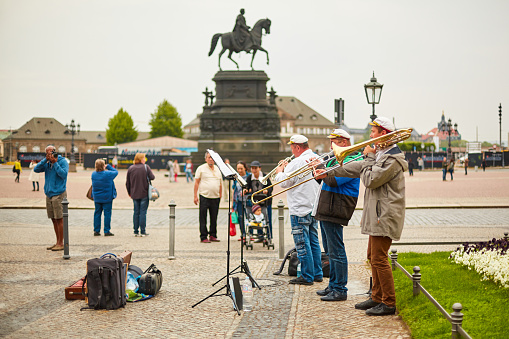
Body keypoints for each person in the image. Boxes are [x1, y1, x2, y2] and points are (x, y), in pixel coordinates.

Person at [316, 117, 408, 316]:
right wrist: (329, 173)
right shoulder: (381, 154)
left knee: (379, 258)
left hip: (385, 214)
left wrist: (368, 158)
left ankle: (389, 302)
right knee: (372, 257)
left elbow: (370, 179)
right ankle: (376, 297)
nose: (370, 137)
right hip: (377, 213)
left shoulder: (393, 159)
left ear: (383, 133)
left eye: (373, 132)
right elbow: (356, 168)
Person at [312, 129, 361, 302]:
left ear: (343, 142)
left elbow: (332, 180)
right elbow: (323, 179)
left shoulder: (353, 159)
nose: (330, 145)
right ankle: (333, 285)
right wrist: (316, 170)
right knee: (330, 250)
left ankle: (340, 288)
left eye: (333, 141)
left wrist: (319, 166)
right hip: (328, 205)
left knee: (337, 250)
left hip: (337, 206)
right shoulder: (335, 158)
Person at [275, 134, 321, 285]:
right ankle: (317, 273)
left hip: (299, 208)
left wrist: (279, 171)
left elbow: (284, 182)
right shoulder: (316, 158)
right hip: (313, 206)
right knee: (313, 241)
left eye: (292, 148)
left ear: (298, 147)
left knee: (302, 244)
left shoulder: (297, 161)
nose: (291, 151)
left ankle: (307, 276)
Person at [34, 145, 69, 251]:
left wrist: (55, 162)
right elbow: (36, 169)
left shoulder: (63, 162)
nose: (49, 154)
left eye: (51, 152)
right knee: (53, 219)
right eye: (47, 153)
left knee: (59, 218)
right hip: (49, 194)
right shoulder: (47, 162)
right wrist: (45, 160)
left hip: (59, 193)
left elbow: (63, 175)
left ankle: (61, 243)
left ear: (55, 152)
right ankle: (57, 242)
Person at [194, 151, 222, 243]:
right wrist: (195, 195)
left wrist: (220, 194)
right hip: (204, 196)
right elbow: (197, 182)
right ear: (206, 159)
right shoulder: (201, 168)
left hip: (215, 197)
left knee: (214, 217)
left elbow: (220, 183)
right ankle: (203, 236)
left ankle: (213, 235)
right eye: (209, 157)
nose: (211, 159)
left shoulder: (218, 169)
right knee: (203, 217)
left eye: (212, 157)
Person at [126, 153, 155, 236]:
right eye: (144, 158)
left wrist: (129, 192)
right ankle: (142, 231)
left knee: (136, 212)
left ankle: (135, 230)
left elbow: (127, 183)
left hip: (134, 193)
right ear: (141, 159)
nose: (145, 159)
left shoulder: (131, 168)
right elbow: (152, 177)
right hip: (144, 193)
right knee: (143, 212)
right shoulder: (146, 167)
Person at [244, 160, 273, 240]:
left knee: (267, 218)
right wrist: (246, 190)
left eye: (256, 168)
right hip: (255, 202)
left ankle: (268, 236)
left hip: (265, 201)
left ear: (259, 168)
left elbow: (270, 186)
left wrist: (267, 190)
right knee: (257, 219)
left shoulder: (264, 176)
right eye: (252, 168)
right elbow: (247, 186)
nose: (254, 170)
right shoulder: (250, 177)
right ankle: (260, 236)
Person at [91, 159, 118, 236]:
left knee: (97, 213)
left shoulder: (93, 174)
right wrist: (108, 166)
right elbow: (116, 172)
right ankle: (106, 230)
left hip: (97, 197)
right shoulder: (108, 174)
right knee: (107, 214)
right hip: (107, 198)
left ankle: (96, 230)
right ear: (103, 166)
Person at [232, 161, 249, 240]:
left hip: (248, 200)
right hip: (239, 200)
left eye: (241, 168)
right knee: (240, 217)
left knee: (249, 217)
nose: (239, 170)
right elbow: (234, 189)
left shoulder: (249, 176)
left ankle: (250, 234)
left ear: (245, 168)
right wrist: (233, 202)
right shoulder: (236, 178)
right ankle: (243, 234)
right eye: (238, 168)